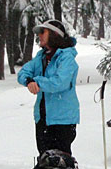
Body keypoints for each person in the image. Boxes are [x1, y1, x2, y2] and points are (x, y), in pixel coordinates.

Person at [17, 19, 79, 155]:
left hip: (63, 120)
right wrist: (28, 81)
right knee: (45, 159)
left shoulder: (67, 58)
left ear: (54, 34)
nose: (39, 35)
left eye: (42, 32)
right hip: (42, 118)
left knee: (60, 161)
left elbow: (59, 83)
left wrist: (37, 82)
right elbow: (23, 73)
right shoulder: (40, 58)